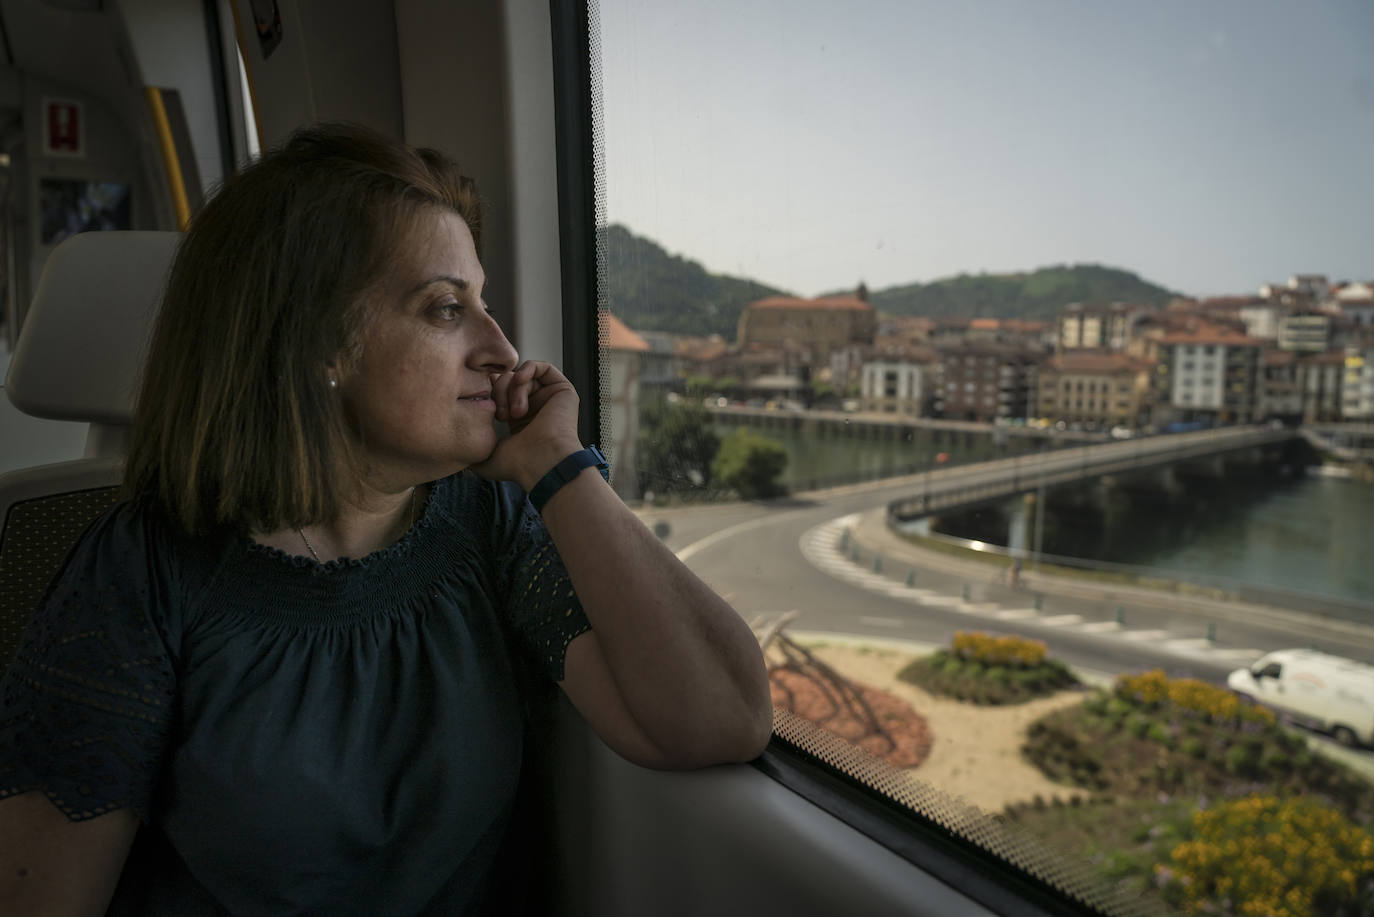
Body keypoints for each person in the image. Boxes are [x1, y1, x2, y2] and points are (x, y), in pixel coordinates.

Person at [0, 123, 773, 915]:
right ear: (317, 343)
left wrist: (559, 467)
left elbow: (723, 718)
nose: (503, 350)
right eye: (446, 309)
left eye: (488, 304)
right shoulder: (141, 577)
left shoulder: (489, 524)